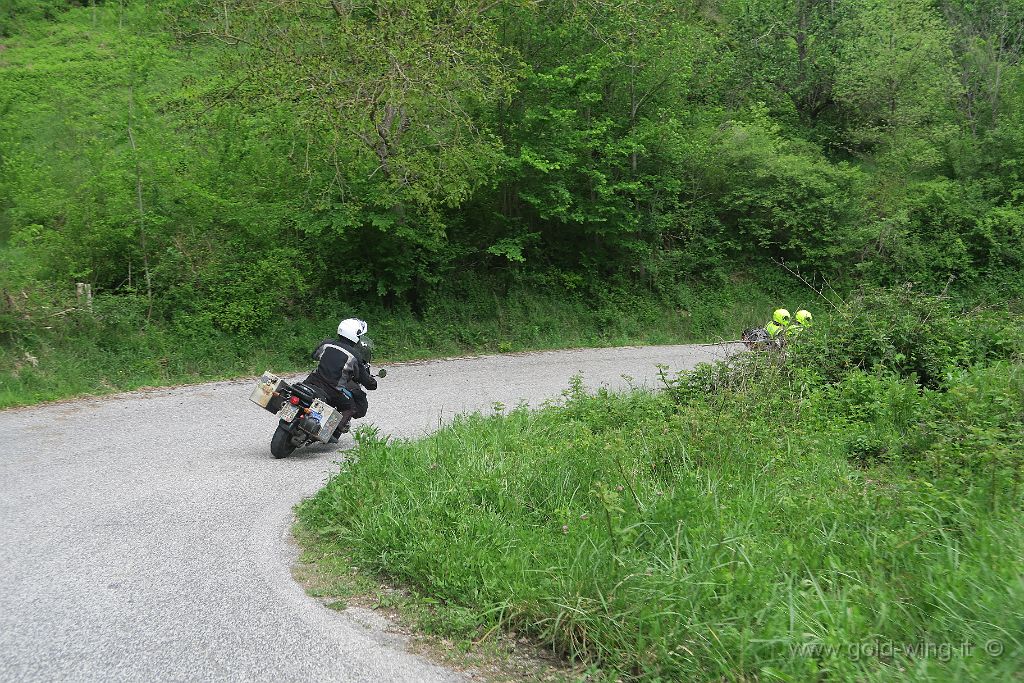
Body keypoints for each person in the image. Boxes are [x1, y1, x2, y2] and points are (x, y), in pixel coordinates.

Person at [303, 317, 378, 441]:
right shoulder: (354, 355)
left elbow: (314, 355)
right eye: (359, 336)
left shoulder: (326, 344)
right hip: (332, 390)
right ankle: (332, 431)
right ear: (355, 335)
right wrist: (372, 383)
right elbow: (363, 378)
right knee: (350, 407)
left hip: (311, 382)